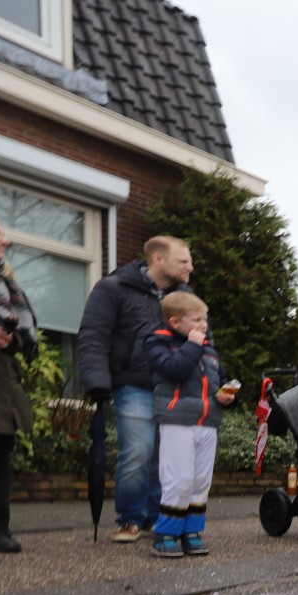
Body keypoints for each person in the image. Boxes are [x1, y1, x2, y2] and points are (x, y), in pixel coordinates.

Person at [77, 234, 194, 543]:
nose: (190, 267)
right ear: (158, 259)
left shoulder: (185, 296)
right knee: (139, 450)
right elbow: (93, 335)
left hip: (172, 386)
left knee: (164, 455)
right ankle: (129, 517)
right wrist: (97, 381)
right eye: (183, 261)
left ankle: (154, 516)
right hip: (132, 383)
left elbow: (202, 338)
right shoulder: (113, 288)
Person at [145, 292, 236, 557]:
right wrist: (193, 346)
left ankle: (191, 531)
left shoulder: (209, 350)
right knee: (179, 478)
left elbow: (219, 381)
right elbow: (175, 370)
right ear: (174, 322)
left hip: (208, 421)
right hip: (177, 419)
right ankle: (166, 533)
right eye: (196, 320)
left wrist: (226, 396)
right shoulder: (158, 342)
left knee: (200, 481)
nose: (204, 325)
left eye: (205, 319)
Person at [0, 213, 37, 553]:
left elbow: (22, 333)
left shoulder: (7, 283)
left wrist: (11, 338)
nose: (4, 239)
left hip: (0, 381)